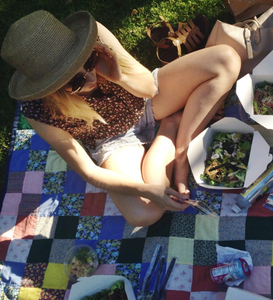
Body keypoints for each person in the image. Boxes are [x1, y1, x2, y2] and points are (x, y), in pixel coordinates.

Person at [1, 10, 241, 225]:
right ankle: (170, 126)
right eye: (75, 82)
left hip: (145, 101)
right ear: (50, 89)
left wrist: (119, 77)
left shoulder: (96, 38)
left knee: (226, 60)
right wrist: (146, 190)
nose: (91, 78)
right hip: (113, 141)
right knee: (145, 213)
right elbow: (88, 171)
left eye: (89, 61)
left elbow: (148, 88)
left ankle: (180, 155)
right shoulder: (37, 110)